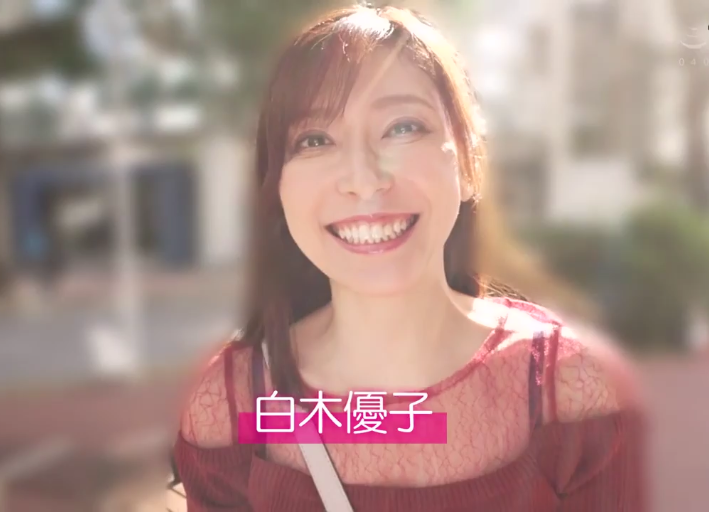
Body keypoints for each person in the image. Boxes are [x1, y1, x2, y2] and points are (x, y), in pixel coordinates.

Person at [173, 6, 645, 511]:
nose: (364, 179)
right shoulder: (233, 404)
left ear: (469, 164)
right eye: (315, 140)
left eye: (402, 128)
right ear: (277, 188)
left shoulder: (569, 388)